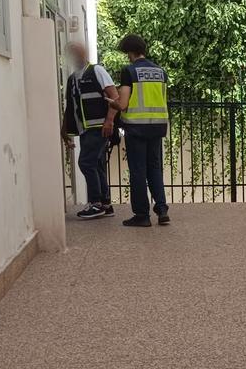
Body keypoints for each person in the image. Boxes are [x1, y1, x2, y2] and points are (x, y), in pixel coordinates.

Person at [110, 34, 170, 227]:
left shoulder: (129, 71)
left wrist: (113, 103)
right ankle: (162, 209)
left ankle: (142, 215)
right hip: (158, 126)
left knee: (138, 171)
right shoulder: (161, 72)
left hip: (136, 127)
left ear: (129, 52)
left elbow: (124, 103)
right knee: (154, 168)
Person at [62, 41, 119, 220]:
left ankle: (96, 203)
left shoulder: (96, 71)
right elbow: (70, 108)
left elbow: (114, 97)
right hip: (85, 129)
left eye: (77, 51)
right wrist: (65, 132)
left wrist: (109, 121)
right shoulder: (72, 78)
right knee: (96, 164)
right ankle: (105, 203)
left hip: (99, 127)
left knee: (86, 162)